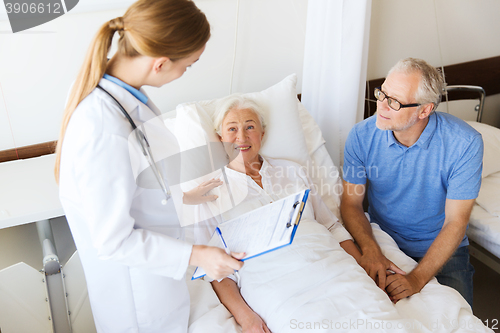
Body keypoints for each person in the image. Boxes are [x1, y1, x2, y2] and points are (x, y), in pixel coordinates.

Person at [55, 1, 243, 331]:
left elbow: (132, 187)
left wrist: (183, 197)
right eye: (189, 65)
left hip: (159, 287)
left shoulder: (123, 98)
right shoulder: (102, 125)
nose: (185, 73)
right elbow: (114, 241)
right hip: (137, 304)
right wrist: (198, 255)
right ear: (160, 64)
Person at [194, 95, 368, 333]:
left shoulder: (293, 170)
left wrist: (363, 267)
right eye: (232, 129)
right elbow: (214, 270)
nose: (241, 137)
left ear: (262, 134)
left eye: (250, 127)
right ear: (220, 138)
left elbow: (332, 227)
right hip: (278, 287)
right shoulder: (210, 193)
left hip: (335, 269)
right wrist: (247, 318)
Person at [341, 58, 483, 306]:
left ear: (424, 110)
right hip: (384, 239)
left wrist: (417, 279)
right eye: (382, 93)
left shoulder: (465, 144)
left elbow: (456, 222)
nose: (381, 106)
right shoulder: (361, 136)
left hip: (443, 247)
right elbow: (351, 204)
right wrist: (371, 249)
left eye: (394, 101)